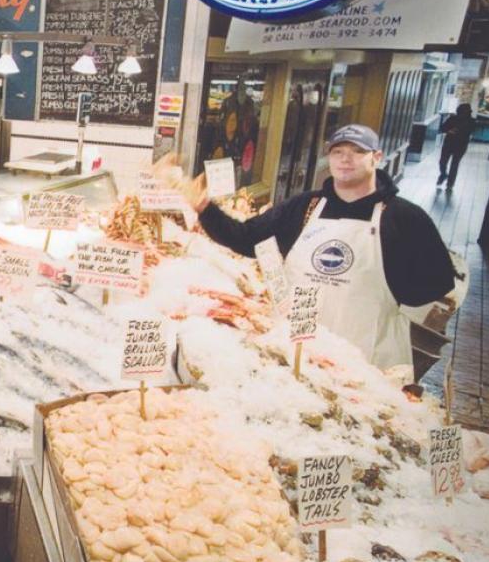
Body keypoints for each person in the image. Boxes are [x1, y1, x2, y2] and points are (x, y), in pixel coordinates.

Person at [168, 125, 456, 375]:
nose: (346, 159)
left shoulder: (404, 217)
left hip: (369, 361)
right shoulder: (304, 206)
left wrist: (382, 292)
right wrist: (204, 207)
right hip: (297, 354)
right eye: (338, 151)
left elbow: (438, 282)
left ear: (376, 158)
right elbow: (245, 238)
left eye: (357, 151)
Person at [438, 103, 474, 191]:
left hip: (460, 145)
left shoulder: (471, 121)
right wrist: (449, 131)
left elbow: (470, 132)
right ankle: (443, 174)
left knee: (454, 164)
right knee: (443, 162)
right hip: (450, 143)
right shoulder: (452, 118)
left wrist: (459, 132)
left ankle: (450, 183)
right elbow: (442, 128)